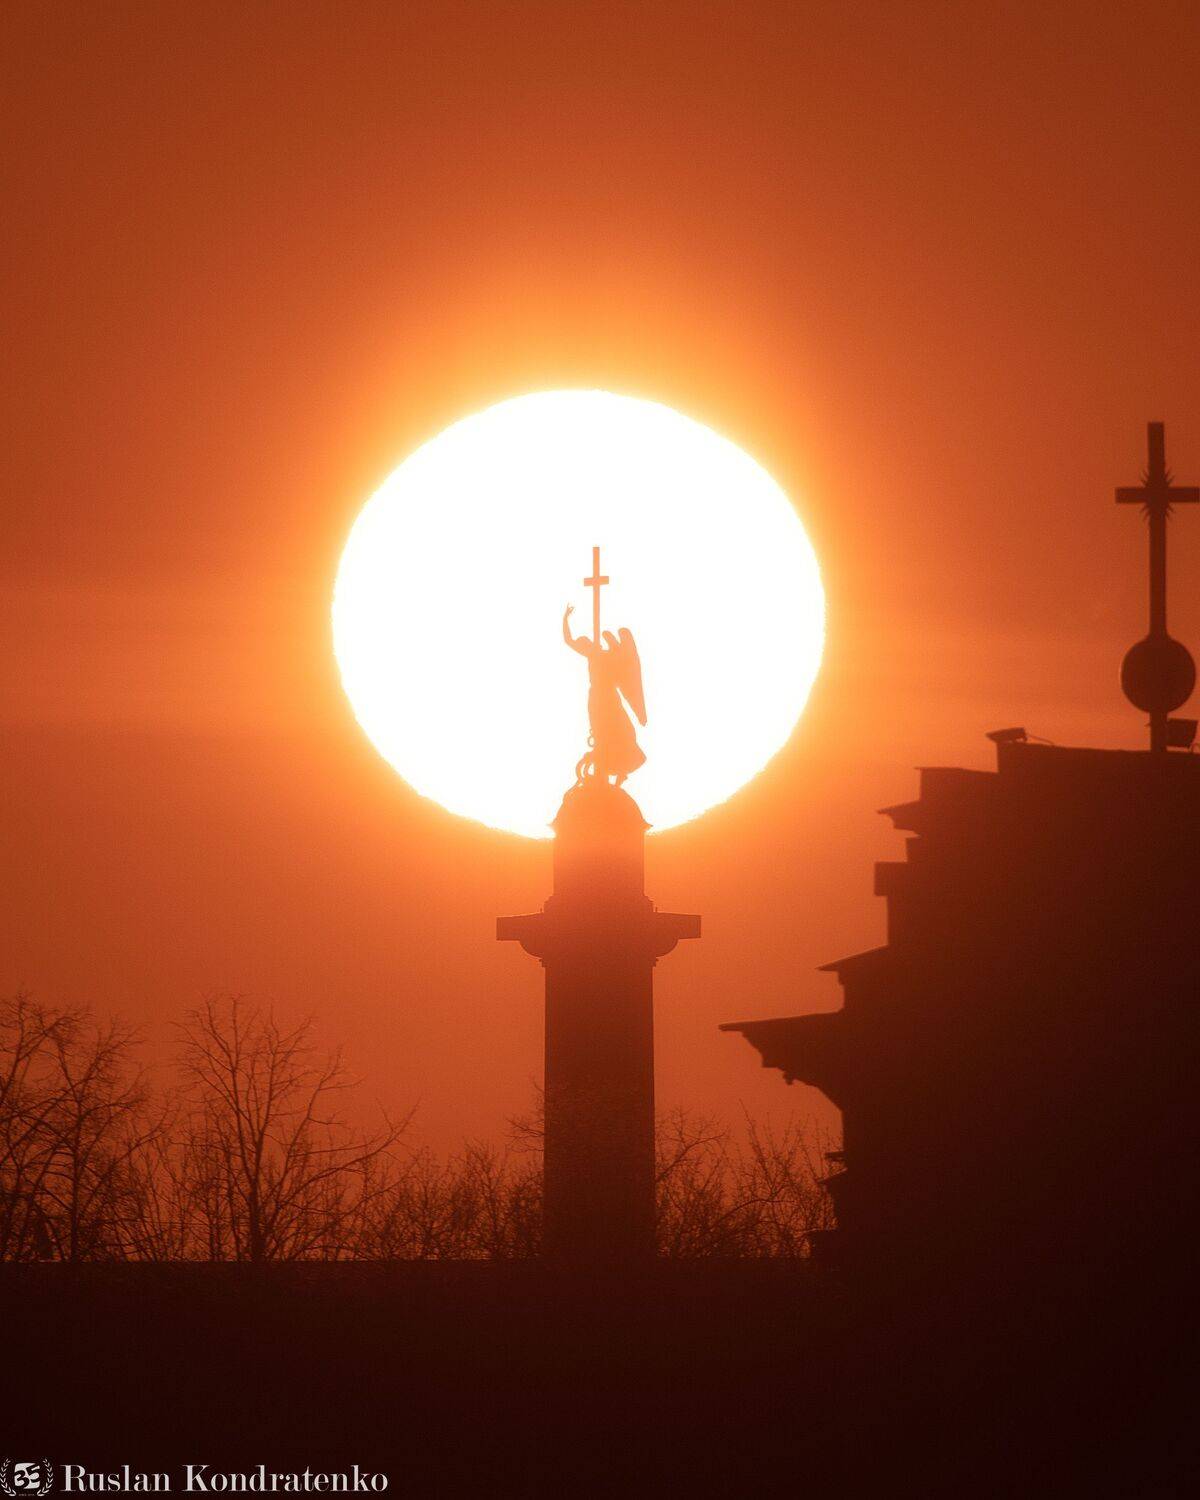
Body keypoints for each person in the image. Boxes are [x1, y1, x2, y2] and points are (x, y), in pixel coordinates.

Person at [563, 604, 646, 785]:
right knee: (604, 731)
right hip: (599, 698)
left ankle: (620, 766)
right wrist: (565, 619)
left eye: (585, 643)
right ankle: (611, 764)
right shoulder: (596, 654)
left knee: (621, 729)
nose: (584, 645)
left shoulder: (605, 655)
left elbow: (570, 641)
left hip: (604, 697)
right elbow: (569, 641)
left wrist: (565, 619)